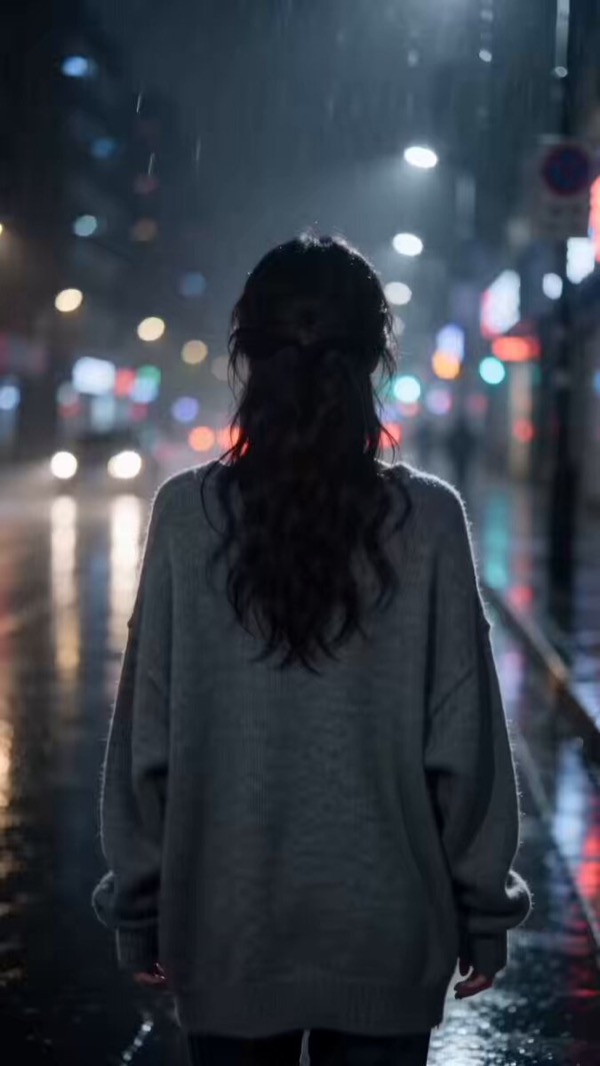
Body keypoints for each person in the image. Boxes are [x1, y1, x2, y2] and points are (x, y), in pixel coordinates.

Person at [92, 235, 532, 1066]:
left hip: (226, 930)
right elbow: (464, 747)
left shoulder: (187, 517)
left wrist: (140, 907)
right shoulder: (428, 522)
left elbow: (147, 740)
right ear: (372, 360)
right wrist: (482, 910)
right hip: (386, 931)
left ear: (247, 357)